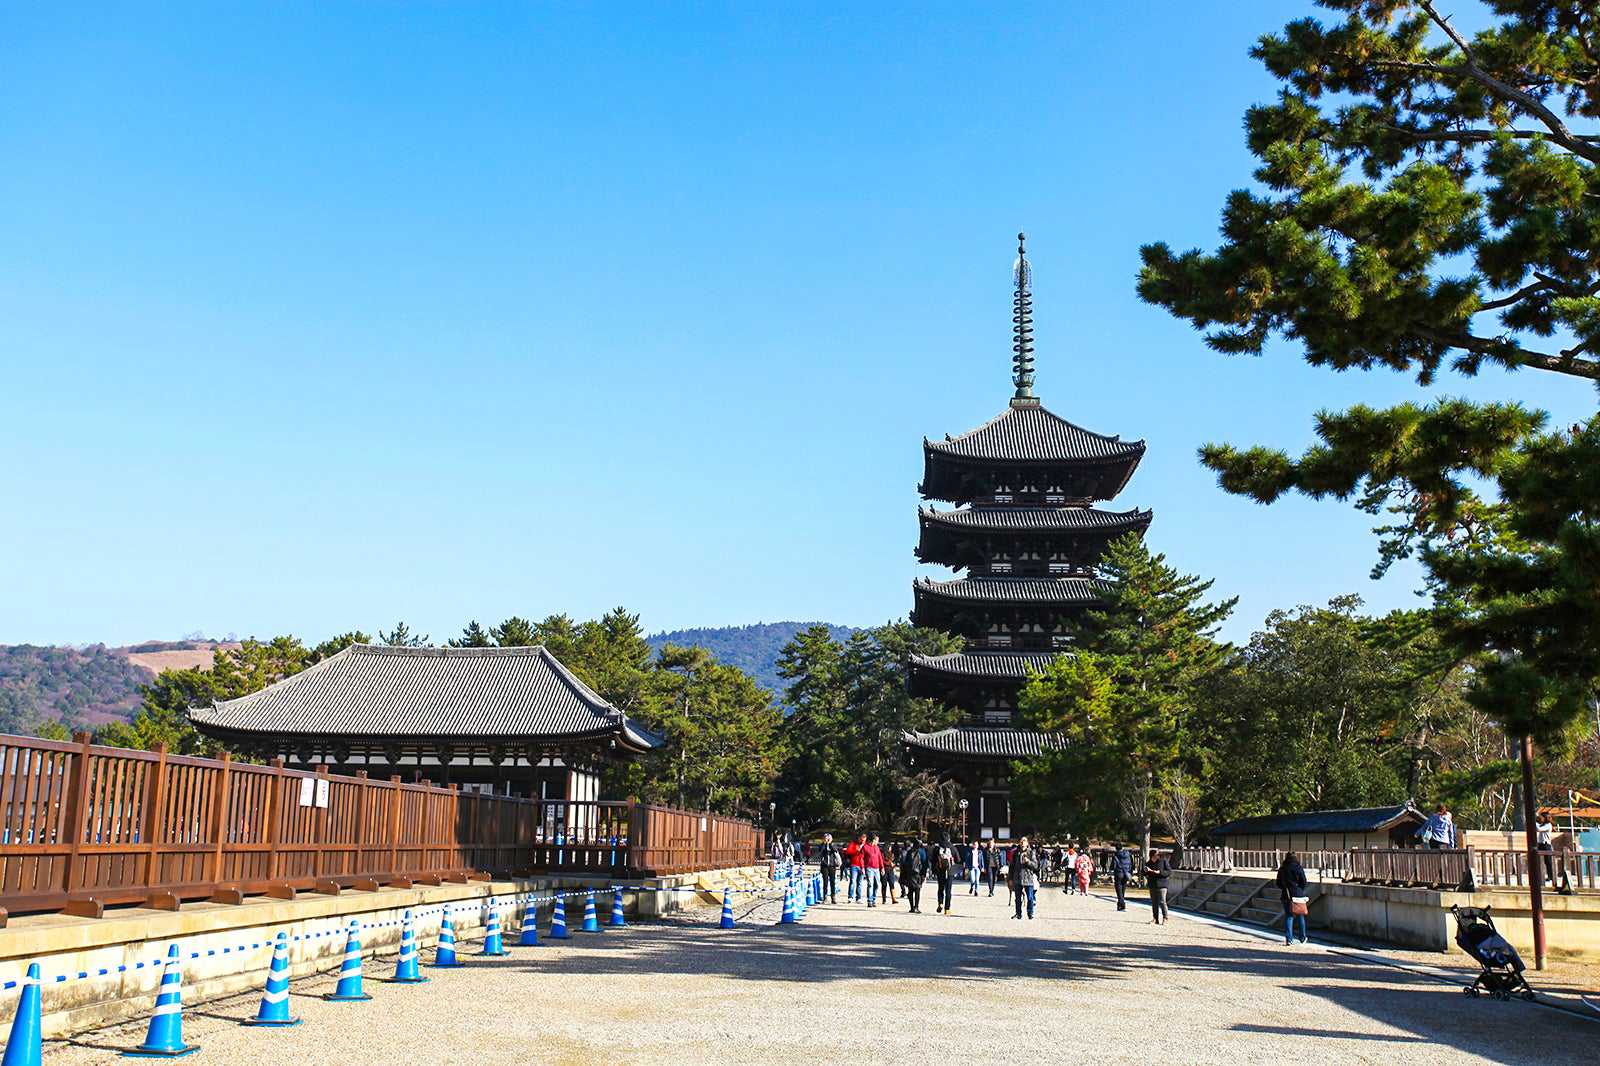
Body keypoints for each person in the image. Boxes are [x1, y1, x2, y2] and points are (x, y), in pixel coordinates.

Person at [1276, 850, 1309, 945]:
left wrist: (1284, 887)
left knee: (1289, 916)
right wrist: (1299, 889)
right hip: (1298, 894)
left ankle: (1289, 939)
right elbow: (1304, 881)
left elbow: (1278, 883)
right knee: (1300, 916)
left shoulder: (1282, 869)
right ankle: (1302, 937)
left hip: (1286, 894)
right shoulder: (1298, 867)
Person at [1012, 836, 1039, 919]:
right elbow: (1012, 866)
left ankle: (1030, 913)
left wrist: (1028, 862)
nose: (1023, 844)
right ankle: (1018, 913)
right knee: (1017, 898)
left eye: (1024, 843)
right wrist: (1010, 878)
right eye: (1021, 843)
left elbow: (1036, 866)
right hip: (1018, 877)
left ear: (1027, 844)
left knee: (1030, 898)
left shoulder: (1031, 853)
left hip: (1028, 877)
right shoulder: (1016, 853)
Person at [1145, 850, 1171, 925]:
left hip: (1162, 884)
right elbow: (1144, 873)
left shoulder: (1163, 861)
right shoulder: (1148, 863)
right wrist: (1146, 871)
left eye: (1156, 856)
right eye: (1153, 856)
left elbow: (1169, 872)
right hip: (1152, 884)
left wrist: (1160, 872)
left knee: (1162, 902)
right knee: (1154, 902)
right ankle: (1155, 918)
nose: (1155, 858)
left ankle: (1165, 918)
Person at [901, 837, 927, 913]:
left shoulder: (909, 852)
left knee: (910, 890)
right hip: (918, 874)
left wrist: (904, 874)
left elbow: (905, 863)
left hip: (910, 874)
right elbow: (924, 864)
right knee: (917, 890)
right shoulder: (922, 852)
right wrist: (924, 874)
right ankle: (916, 907)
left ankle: (911, 907)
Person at [932, 838, 957, 914]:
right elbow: (958, 859)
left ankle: (940, 903)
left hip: (940, 871)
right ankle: (947, 909)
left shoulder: (937, 849)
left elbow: (933, 860)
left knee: (940, 888)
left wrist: (934, 871)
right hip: (950, 871)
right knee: (948, 891)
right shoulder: (953, 848)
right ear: (949, 838)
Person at [817, 833, 842, 903]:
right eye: (826, 838)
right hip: (824, 866)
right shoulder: (821, 845)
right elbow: (820, 852)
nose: (827, 839)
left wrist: (830, 844)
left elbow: (835, 851)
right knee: (825, 882)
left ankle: (833, 897)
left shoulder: (833, 845)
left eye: (828, 838)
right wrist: (825, 844)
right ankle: (825, 897)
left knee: (832, 882)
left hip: (832, 866)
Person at [863, 833, 884, 908]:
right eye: (876, 840)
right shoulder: (865, 847)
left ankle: (874, 899)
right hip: (869, 868)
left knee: (877, 885)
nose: (877, 842)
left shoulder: (877, 847)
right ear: (873, 840)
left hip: (877, 868)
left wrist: (882, 868)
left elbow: (880, 858)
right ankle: (870, 901)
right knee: (870, 884)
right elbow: (862, 858)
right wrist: (862, 868)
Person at [1111, 843, 1134, 911]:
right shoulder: (1128, 855)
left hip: (1118, 873)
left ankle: (1122, 904)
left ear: (1116, 848)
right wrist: (1130, 872)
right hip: (1126, 873)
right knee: (1123, 890)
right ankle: (1119, 905)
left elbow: (1113, 866)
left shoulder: (1116, 855)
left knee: (1119, 890)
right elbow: (1132, 864)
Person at [845, 832, 866, 903]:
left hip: (862, 866)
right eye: (862, 840)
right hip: (854, 865)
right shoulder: (853, 844)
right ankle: (850, 897)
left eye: (864, 840)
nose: (863, 841)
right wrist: (857, 850)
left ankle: (858, 898)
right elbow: (848, 852)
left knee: (860, 883)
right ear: (859, 838)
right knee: (853, 881)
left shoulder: (866, 846)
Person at [1536, 814, 1556, 885]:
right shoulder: (1543, 825)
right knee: (1540, 861)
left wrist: (1535, 822)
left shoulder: (1548, 825)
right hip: (1541, 844)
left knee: (1548, 862)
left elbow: (1538, 829)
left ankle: (1550, 877)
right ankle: (1540, 875)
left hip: (1546, 845)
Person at [882, 838, 899, 905]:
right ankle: (884, 899)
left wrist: (894, 865)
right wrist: (889, 863)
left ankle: (893, 899)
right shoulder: (882, 854)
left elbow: (893, 861)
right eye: (890, 847)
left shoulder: (891, 854)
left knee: (892, 884)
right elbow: (882, 861)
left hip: (890, 870)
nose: (890, 848)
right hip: (884, 870)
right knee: (884, 884)